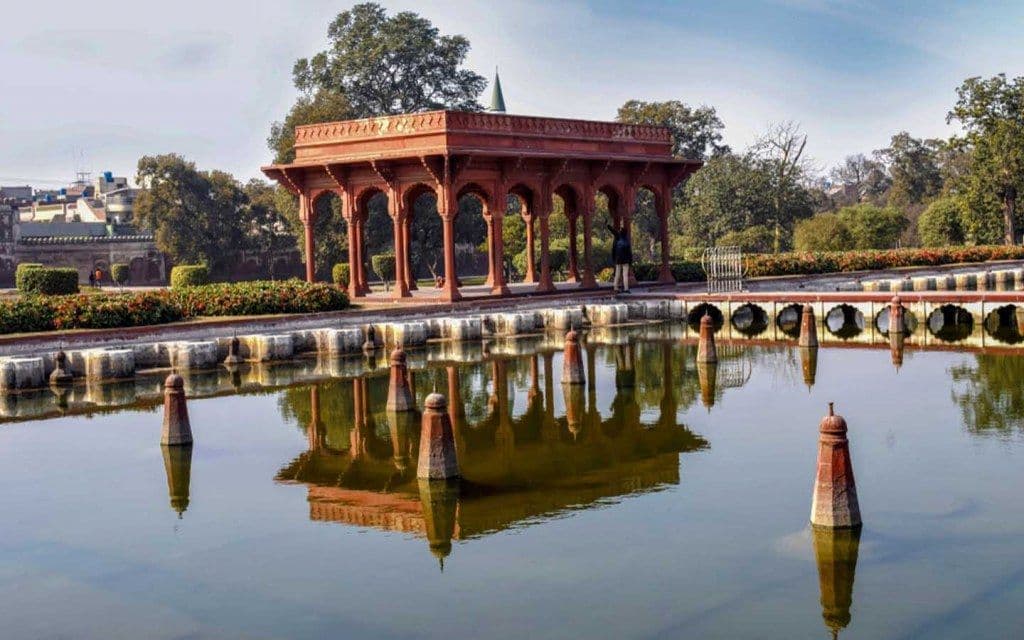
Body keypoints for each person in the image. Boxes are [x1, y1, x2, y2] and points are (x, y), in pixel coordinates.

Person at [607, 223, 633, 293]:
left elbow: (613, 231)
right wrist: (630, 262)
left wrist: (608, 225)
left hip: (618, 260)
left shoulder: (618, 238)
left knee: (617, 274)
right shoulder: (627, 241)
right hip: (625, 261)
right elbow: (629, 253)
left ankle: (615, 287)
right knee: (625, 275)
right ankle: (626, 289)